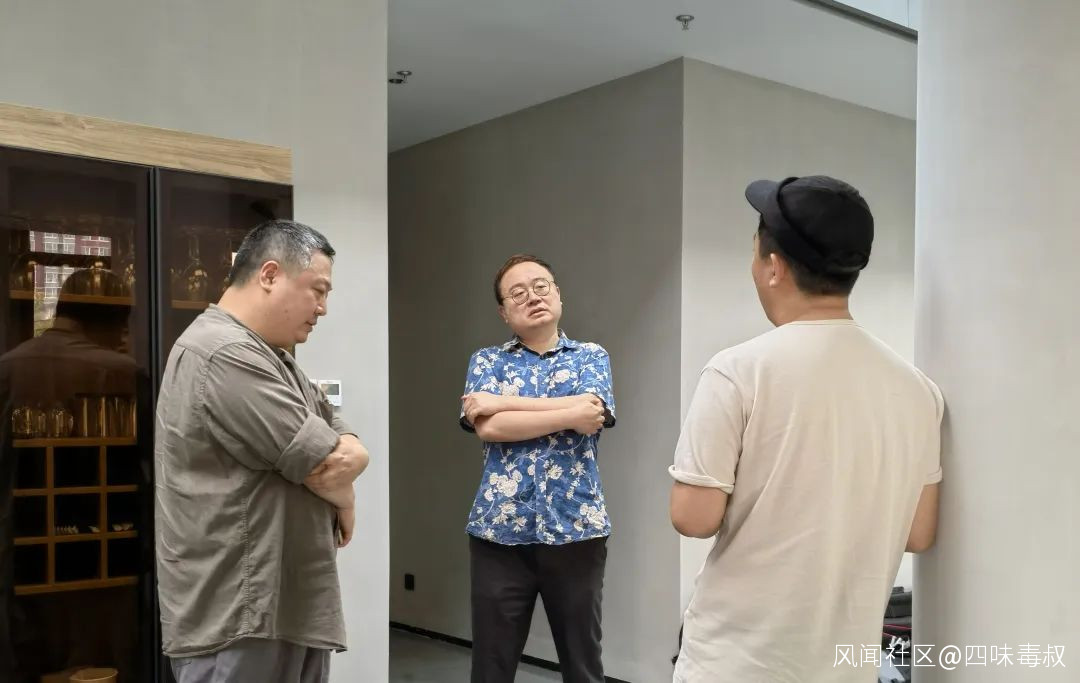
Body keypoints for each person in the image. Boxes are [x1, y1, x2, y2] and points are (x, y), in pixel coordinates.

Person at [668, 176, 942, 682]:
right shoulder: (918, 389)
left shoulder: (736, 372)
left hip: (738, 662)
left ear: (774, 267)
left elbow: (693, 516)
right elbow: (919, 531)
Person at [155, 219, 370, 683]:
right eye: (318, 290)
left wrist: (353, 462)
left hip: (282, 608)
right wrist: (346, 492)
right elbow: (324, 460)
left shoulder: (274, 356)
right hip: (241, 616)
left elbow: (334, 425)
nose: (323, 308)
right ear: (269, 275)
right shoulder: (223, 352)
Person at [460, 254, 615, 683]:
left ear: (558, 294)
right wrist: (568, 413)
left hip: (576, 530)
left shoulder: (590, 356)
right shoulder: (487, 361)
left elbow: (593, 413)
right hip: (499, 535)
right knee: (491, 667)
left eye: (541, 286)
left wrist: (501, 402)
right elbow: (491, 428)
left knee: (583, 664)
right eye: (518, 293)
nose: (532, 297)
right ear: (503, 312)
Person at [0, 269, 137, 682]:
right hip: (112, 543)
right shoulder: (124, 371)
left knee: (30, 654)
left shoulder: (8, 367)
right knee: (107, 652)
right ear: (115, 318)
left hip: (20, 538)